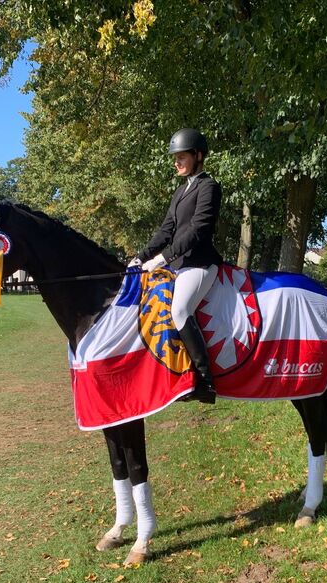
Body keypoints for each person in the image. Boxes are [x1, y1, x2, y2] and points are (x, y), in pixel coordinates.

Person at [130, 128, 223, 404]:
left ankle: (205, 381)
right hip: (179, 264)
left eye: (182, 157)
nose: (177, 162)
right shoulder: (181, 192)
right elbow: (166, 230)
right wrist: (141, 256)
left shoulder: (209, 187)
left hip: (200, 263)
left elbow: (197, 230)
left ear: (198, 156)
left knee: (180, 309)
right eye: (175, 158)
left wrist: (163, 258)